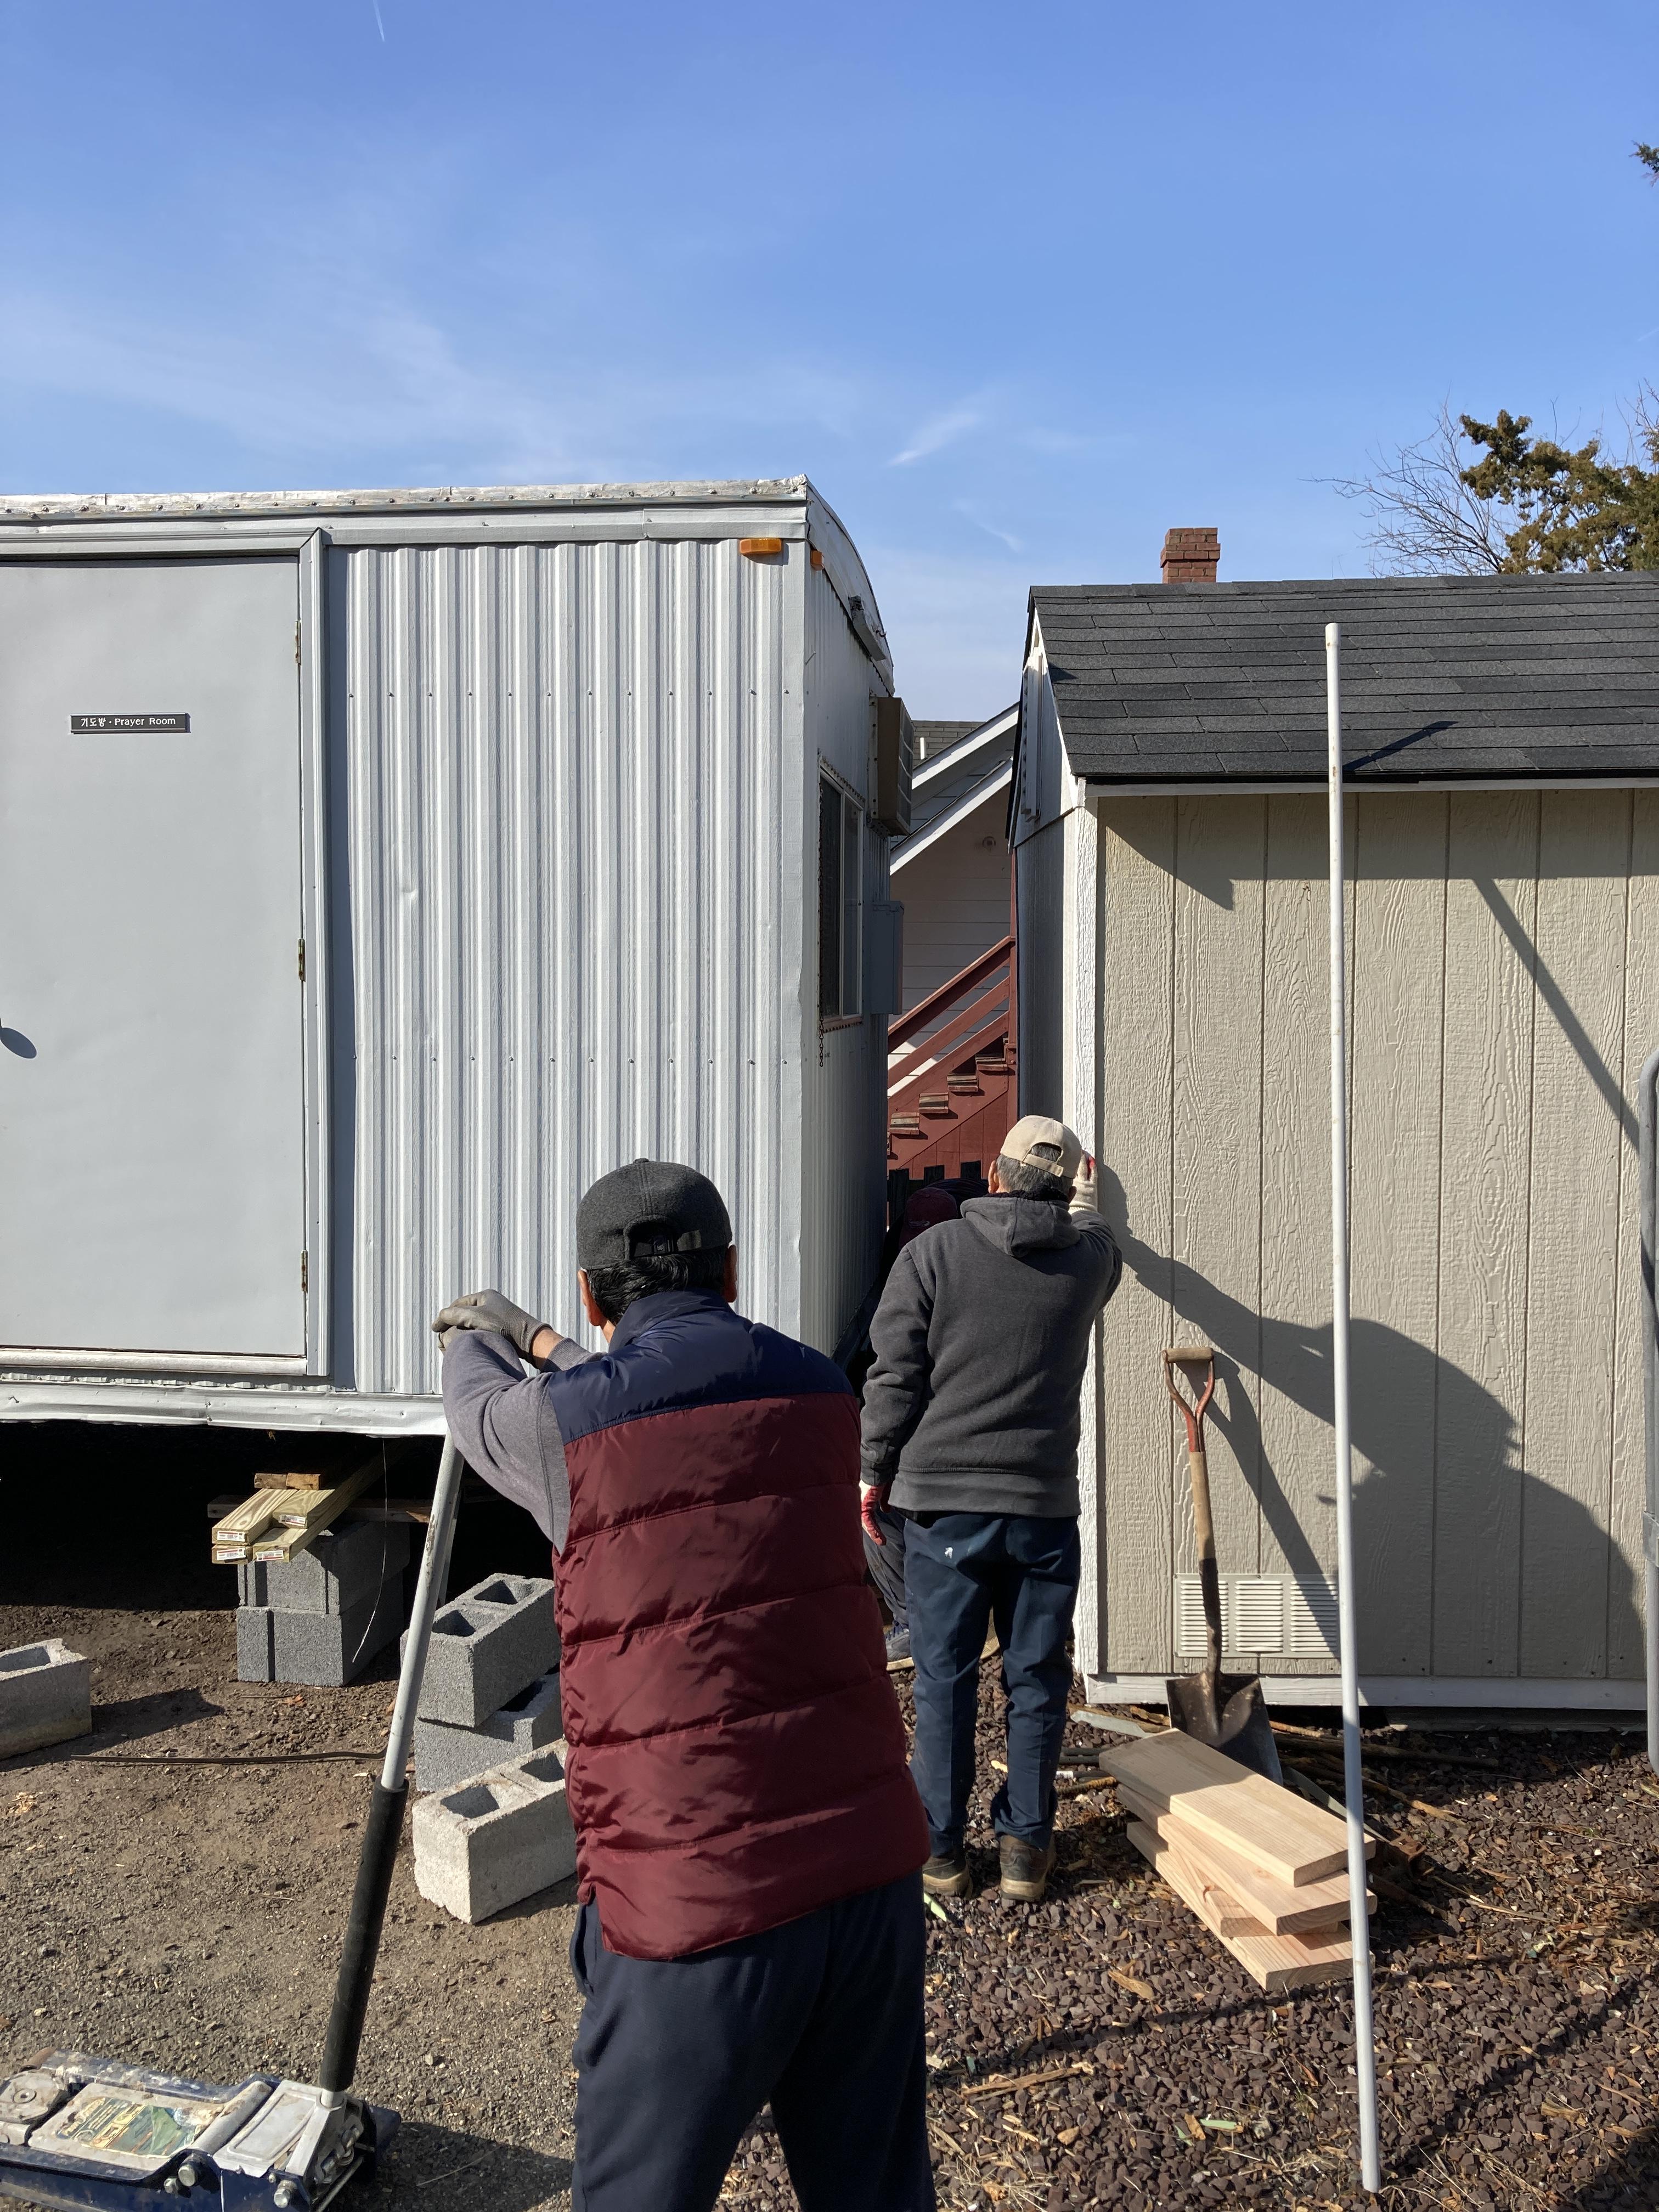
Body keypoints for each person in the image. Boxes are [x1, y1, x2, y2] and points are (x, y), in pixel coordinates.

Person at [433, 1158, 933, 2212]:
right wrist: (548, 1344)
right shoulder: (819, 1390)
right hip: (866, 1874)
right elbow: (662, 1395)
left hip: (694, 1908)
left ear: (590, 1294)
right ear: (732, 1271)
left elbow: (484, 1410)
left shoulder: (559, 1430)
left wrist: (481, 1338)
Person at [858, 1115, 1121, 1905]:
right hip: (1043, 1510)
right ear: (1065, 1190)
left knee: (944, 1680)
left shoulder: (931, 1254)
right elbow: (1097, 1228)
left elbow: (893, 1376)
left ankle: (941, 1852)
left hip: (944, 1510)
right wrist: (1085, 1194)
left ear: (995, 1178)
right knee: (1036, 1679)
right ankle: (1025, 1854)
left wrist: (872, 1471)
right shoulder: (1088, 1266)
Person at [862, 1183, 963, 1671]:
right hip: (975, 1442)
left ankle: (911, 1622)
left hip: (937, 1442)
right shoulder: (970, 1259)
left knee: (875, 1510)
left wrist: (873, 1468)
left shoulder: (925, 1272)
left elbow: (895, 1376)